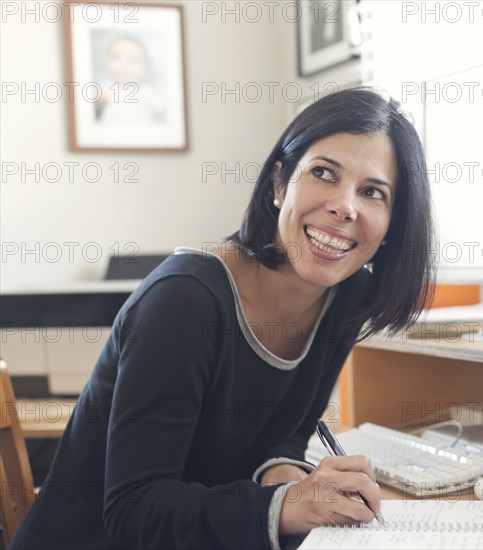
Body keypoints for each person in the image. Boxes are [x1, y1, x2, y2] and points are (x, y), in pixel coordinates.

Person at [10, 87, 434, 550]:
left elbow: (286, 433)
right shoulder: (184, 301)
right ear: (279, 184)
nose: (344, 206)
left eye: (372, 192)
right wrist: (286, 505)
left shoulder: (344, 297)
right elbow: (136, 512)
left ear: (394, 222)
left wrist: (284, 471)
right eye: (323, 173)